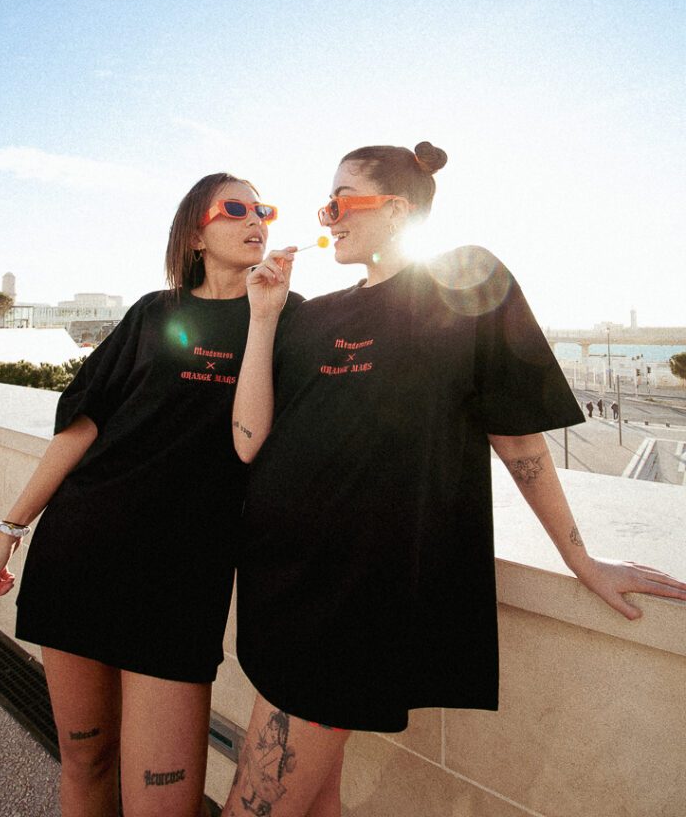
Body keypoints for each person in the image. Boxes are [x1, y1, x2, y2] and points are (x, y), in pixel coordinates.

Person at [221, 143, 686, 817]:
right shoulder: (310, 315)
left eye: (341, 200)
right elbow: (251, 438)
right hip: (281, 590)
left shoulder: (463, 286)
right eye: (325, 205)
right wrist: (264, 317)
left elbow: (517, 437)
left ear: (399, 209)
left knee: (256, 805)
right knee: (316, 801)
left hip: (350, 609)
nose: (328, 217)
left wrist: (580, 558)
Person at [0, 173, 302, 817]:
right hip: (81, 552)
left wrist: (264, 317)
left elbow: (251, 442)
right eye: (235, 207)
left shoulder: (289, 315)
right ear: (194, 233)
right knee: (86, 764)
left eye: (263, 208)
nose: (255, 218)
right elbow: (83, 426)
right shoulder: (155, 312)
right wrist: (7, 532)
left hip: (183, 582)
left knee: (163, 805)